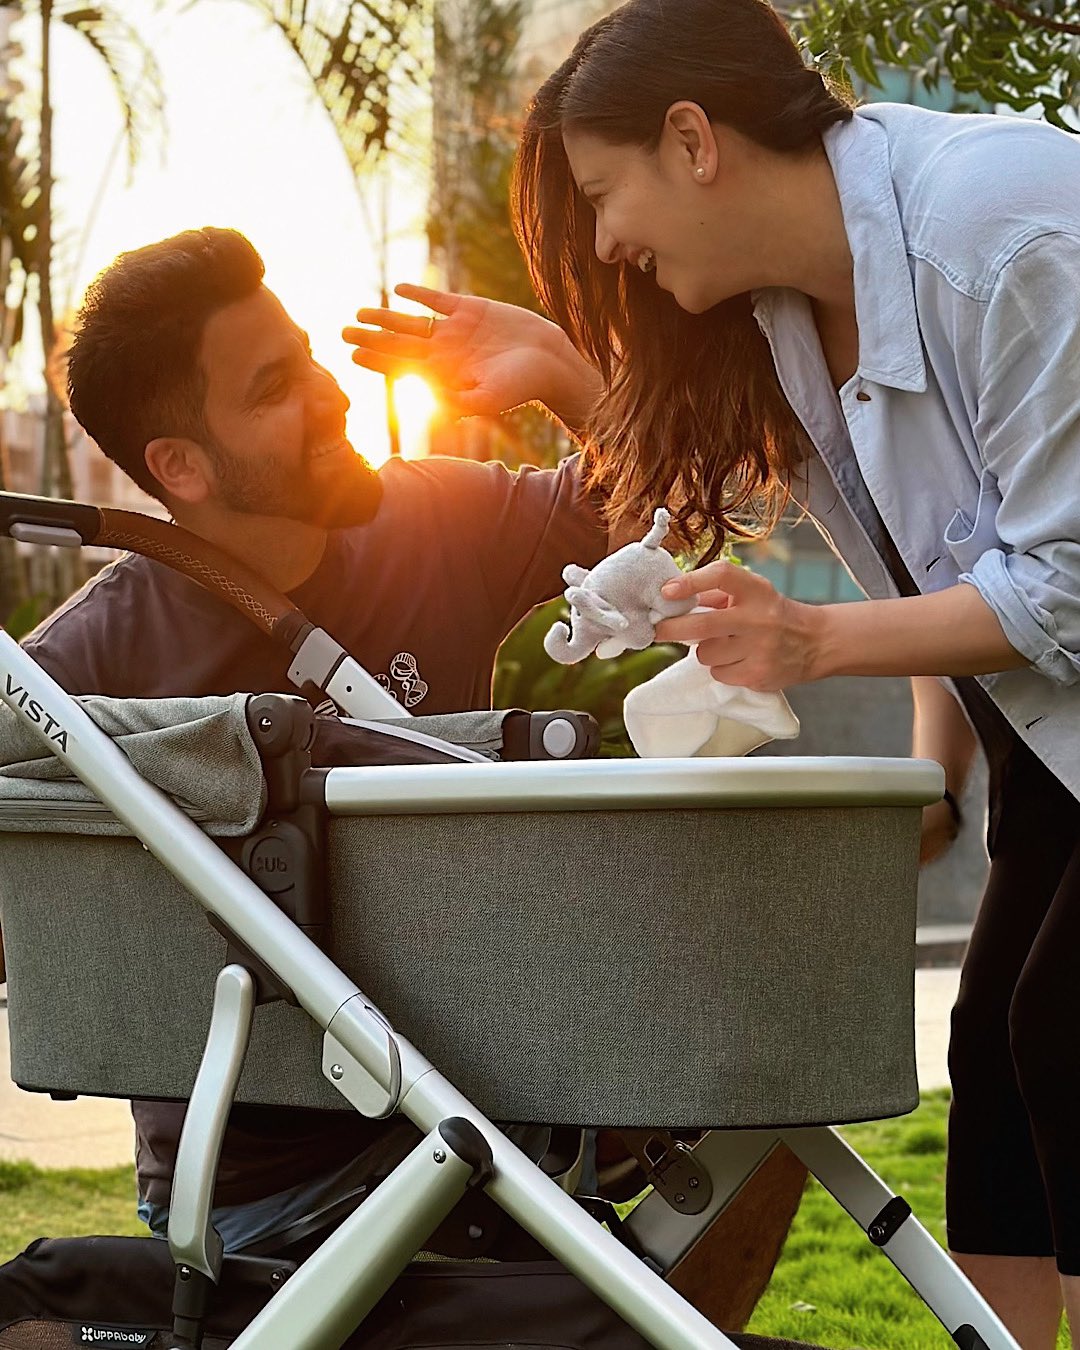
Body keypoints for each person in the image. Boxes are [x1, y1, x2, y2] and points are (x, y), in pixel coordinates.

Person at [345, 1, 1080, 1343]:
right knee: (1005, 1058)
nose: (606, 236)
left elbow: (1071, 581)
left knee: (1065, 1028)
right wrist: (564, 374)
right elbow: (890, 532)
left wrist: (812, 645)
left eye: (602, 193)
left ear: (693, 139)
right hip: (1054, 737)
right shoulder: (794, 308)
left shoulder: (1005, 235)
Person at [23, 225, 609, 1257]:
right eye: (272, 389)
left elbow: (657, 514)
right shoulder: (76, 676)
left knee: (768, 1102)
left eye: (307, 360)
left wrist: (565, 374)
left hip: (490, 1122)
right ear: (179, 466)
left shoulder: (438, 521)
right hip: (254, 1186)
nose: (330, 395)